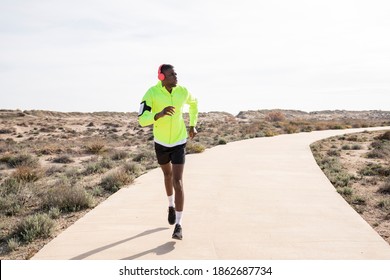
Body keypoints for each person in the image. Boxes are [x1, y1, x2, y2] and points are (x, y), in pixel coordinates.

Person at [138, 64, 198, 240]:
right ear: (162, 77)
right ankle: (170, 205)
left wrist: (192, 123)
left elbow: (194, 103)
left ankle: (178, 225)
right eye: (171, 74)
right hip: (161, 142)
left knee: (177, 180)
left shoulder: (182, 91)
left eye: (175, 73)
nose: (175, 76)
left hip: (179, 140)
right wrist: (159, 114)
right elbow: (142, 120)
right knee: (167, 176)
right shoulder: (151, 93)